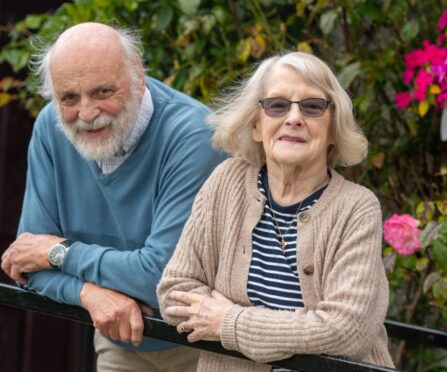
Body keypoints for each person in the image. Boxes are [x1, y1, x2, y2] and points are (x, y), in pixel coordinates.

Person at [0, 22, 225, 372]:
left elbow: (160, 281)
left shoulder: (195, 135)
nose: (87, 114)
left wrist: (58, 252)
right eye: (69, 98)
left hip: (202, 344)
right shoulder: (50, 128)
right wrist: (88, 294)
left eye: (102, 91)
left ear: (137, 74)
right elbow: (29, 266)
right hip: (117, 335)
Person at [156, 51, 394, 371]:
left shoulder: (356, 208)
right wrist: (299, 330)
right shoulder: (226, 182)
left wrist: (231, 322)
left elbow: (346, 331)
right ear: (257, 124)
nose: (293, 118)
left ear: (333, 128)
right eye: (277, 105)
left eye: (312, 106)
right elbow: (175, 294)